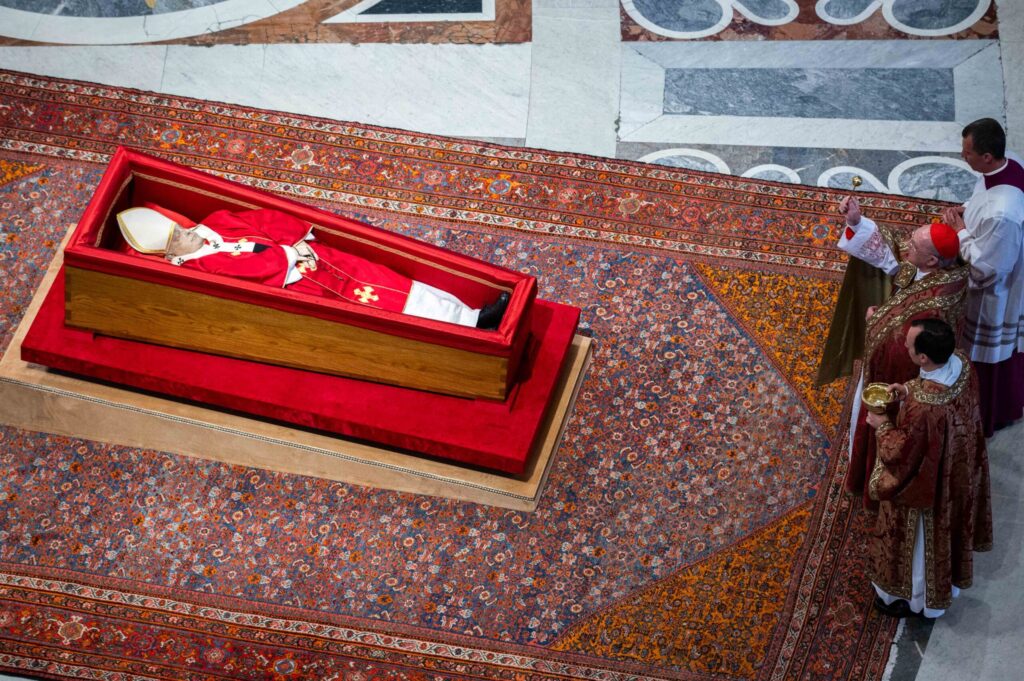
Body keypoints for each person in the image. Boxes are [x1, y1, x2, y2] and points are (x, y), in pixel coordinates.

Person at [116, 205, 511, 330]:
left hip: (324, 261)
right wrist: (289, 255)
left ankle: (471, 315)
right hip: (303, 287)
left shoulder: (214, 221)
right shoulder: (202, 271)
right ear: (171, 254)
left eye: (182, 227)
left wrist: (297, 241)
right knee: (388, 310)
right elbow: (252, 274)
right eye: (180, 237)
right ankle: (470, 331)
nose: (188, 231)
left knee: (396, 283)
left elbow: (263, 220)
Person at [836, 197, 969, 511]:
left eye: (915, 246)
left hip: (906, 375)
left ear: (932, 261)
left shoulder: (940, 299)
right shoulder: (934, 264)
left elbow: (910, 345)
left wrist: (875, 322)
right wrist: (856, 221)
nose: (908, 245)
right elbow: (892, 247)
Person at [863, 319, 992, 618]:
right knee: (947, 530)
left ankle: (913, 598)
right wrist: (908, 391)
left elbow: (902, 453)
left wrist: (882, 426)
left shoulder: (926, 407)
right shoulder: (962, 364)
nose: (905, 346)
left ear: (923, 358)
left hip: (927, 486)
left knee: (919, 542)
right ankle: (940, 588)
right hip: (955, 469)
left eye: (909, 346)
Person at [940, 118, 1024, 436]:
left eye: (968, 152)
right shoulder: (1010, 160)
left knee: (984, 351)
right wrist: (966, 210)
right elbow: (982, 199)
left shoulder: (1002, 213)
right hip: (995, 245)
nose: (963, 156)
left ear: (987, 156)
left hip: (995, 294)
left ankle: (985, 412)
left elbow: (987, 270)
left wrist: (961, 232)